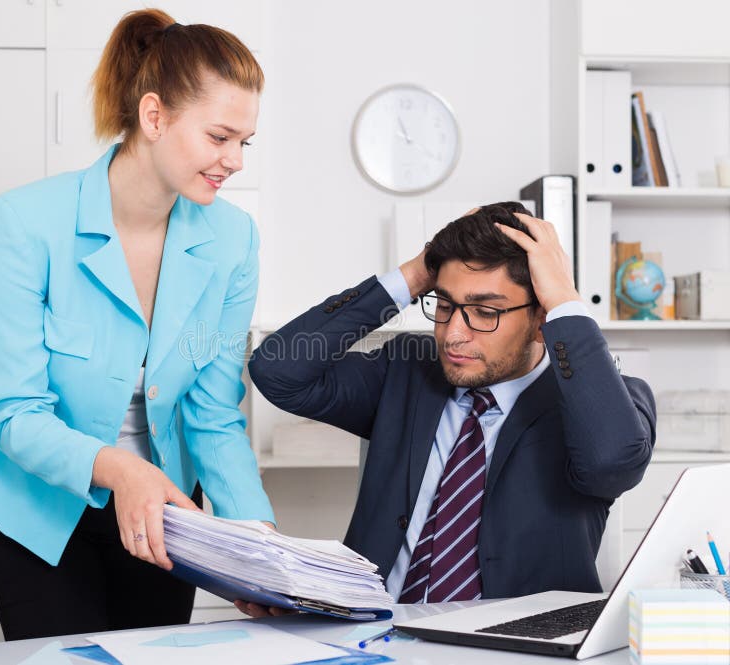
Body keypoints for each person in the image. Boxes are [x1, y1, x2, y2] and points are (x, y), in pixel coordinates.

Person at [0, 9, 275, 639]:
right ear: (155, 117)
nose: (235, 160)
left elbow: (212, 411)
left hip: (165, 513)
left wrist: (253, 542)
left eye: (244, 142)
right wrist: (123, 470)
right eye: (219, 137)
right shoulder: (22, 223)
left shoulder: (233, 240)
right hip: (40, 505)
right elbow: (15, 413)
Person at [245, 202, 655, 613]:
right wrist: (418, 272)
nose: (453, 334)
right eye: (444, 305)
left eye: (484, 312)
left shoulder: (604, 403)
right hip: (372, 635)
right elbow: (277, 370)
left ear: (539, 317)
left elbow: (610, 464)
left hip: (516, 650)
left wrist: (565, 300)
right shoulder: (408, 369)